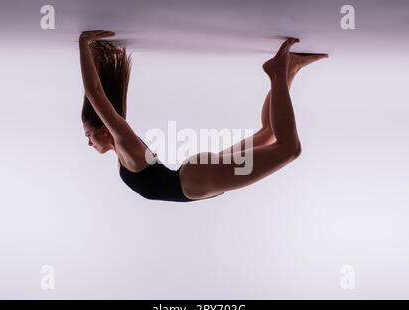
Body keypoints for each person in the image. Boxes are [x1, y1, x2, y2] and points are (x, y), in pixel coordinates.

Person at [79, 30, 327, 202]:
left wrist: (83, 43)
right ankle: (289, 69)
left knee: (290, 149)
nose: (89, 142)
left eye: (88, 135)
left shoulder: (123, 142)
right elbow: (96, 93)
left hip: (197, 179)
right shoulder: (123, 151)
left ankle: (277, 71)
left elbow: (94, 92)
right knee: (269, 133)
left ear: (104, 129)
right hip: (198, 177)